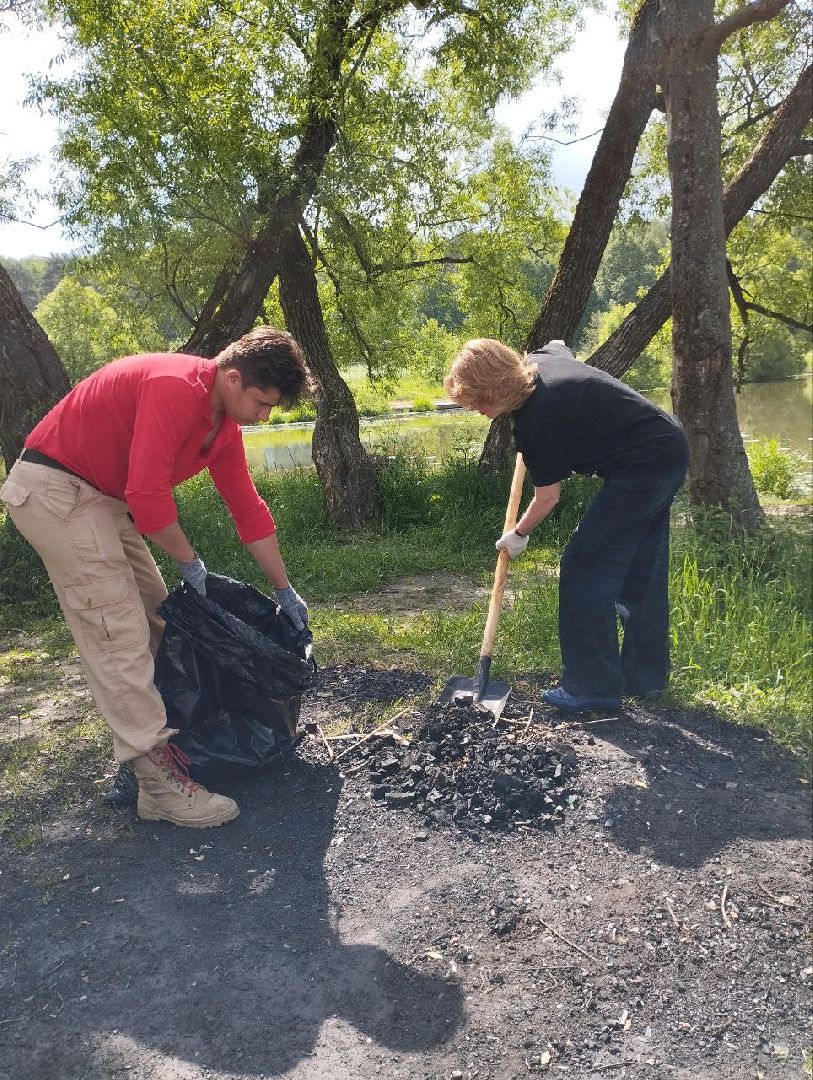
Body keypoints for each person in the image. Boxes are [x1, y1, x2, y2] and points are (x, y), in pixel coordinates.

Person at [1, 326, 310, 827]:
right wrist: (190, 561)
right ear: (232, 379)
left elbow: (248, 511)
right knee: (116, 632)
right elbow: (148, 501)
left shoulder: (222, 428)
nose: (263, 416)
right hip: (55, 492)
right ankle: (158, 785)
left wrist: (284, 589)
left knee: (158, 620)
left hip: (101, 499)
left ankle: (164, 755)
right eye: (261, 402)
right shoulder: (173, 388)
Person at [444, 338, 689, 712]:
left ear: (495, 388)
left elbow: (548, 498)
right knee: (640, 568)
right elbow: (559, 343)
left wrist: (518, 534)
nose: (477, 410)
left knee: (583, 566)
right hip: (667, 446)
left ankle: (591, 687)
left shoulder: (536, 421)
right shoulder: (540, 361)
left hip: (644, 468)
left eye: (478, 400)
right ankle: (644, 679)